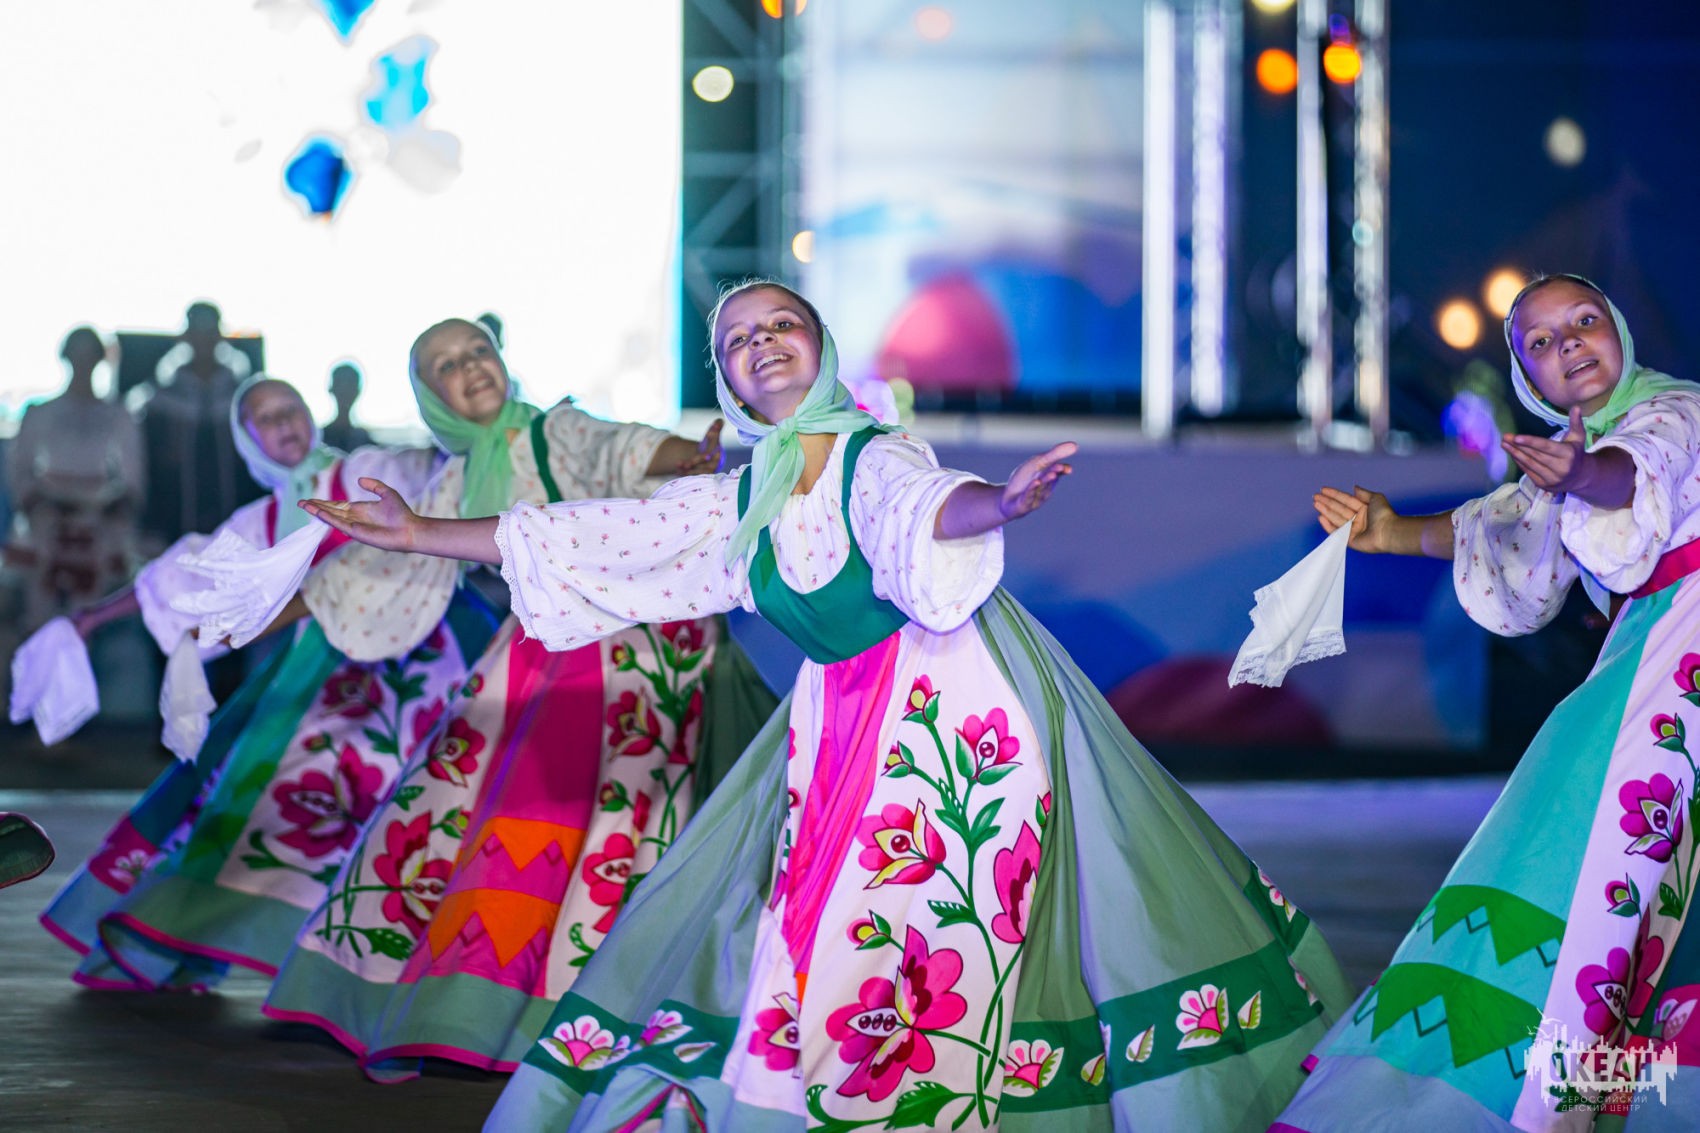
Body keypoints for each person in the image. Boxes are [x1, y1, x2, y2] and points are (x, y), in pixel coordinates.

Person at [304, 282, 1351, 1131]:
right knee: (823, 911)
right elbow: (592, 534)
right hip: (839, 713)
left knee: (922, 911)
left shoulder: (872, 451)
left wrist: (999, 501)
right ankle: (832, 1091)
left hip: (954, 705)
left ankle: (919, 1096)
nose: (762, 344)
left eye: (781, 326)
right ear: (726, 379)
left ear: (820, 347)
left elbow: (927, 506)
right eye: (739, 339)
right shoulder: (743, 494)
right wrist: (419, 535)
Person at [256, 317, 778, 1080]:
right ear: (429, 395)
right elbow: (384, 566)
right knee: (446, 809)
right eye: (447, 365)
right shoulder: (452, 479)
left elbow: (619, 448)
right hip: (541, 653)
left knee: (602, 830)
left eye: (479, 352)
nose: (471, 369)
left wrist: (685, 457)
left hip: (635, 650)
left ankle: (583, 1013)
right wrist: (259, 615)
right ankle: (427, 1005)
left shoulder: (552, 430)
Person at [1275, 275, 1700, 1129]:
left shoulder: (1673, 411)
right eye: (1540, 342)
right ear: (1525, 378)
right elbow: (1502, 523)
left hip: (1677, 655)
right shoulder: (1575, 451)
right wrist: (1391, 531)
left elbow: (1630, 473)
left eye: (1583, 321)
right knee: (1613, 863)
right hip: (1655, 650)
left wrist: (1586, 473)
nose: (1568, 343)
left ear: (1618, 329)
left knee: (1586, 842)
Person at [40, 376, 494, 991]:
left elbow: (440, 469)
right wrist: (93, 617)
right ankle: (180, 941)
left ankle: (421, 966)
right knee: (254, 801)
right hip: (326, 673)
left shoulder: (369, 472)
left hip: (433, 650)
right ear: (248, 440)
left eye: (291, 409)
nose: (285, 424)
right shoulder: (262, 521)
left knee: (449, 796)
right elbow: (175, 581)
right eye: (267, 418)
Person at [4, 326, 145, 631]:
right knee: (38, 612)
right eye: (77, 354)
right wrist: (40, 506)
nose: (83, 362)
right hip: (46, 525)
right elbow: (20, 469)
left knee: (91, 612)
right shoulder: (40, 413)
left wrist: (110, 508)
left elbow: (132, 477)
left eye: (89, 355)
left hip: (98, 527)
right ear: (66, 357)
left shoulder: (117, 415)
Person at [137, 301, 261, 546]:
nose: (204, 339)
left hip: (236, 523)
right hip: (175, 524)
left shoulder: (243, 400)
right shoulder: (162, 402)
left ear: (220, 335)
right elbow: (151, 468)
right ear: (186, 336)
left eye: (210, 331)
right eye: (197, 331)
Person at [323, 362, 374, 452]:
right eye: (341, 386)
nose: (345, 393)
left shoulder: (363, 439)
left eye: (349, 386)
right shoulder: (319, 438)